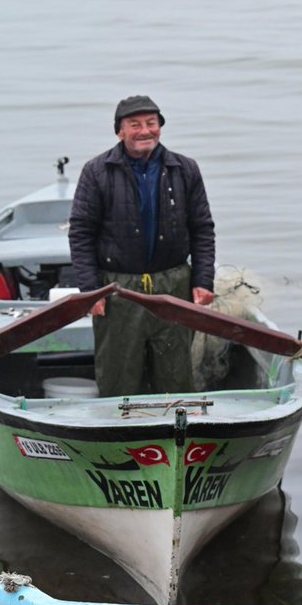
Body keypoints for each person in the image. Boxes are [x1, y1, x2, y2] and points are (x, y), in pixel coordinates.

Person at [69, 95, 216, 397]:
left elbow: (202, 229)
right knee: (119, 376)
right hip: (117, 290)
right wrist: (90, 291)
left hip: (173, 284)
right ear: (119, 131)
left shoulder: (185, 169)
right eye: (134, 125)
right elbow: (81, 234)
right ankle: (119, 434)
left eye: (151, 123)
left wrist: (202, 280)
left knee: (176, 376)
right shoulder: (96, 172)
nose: (144, 131)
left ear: (160, 127)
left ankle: (176, 432)